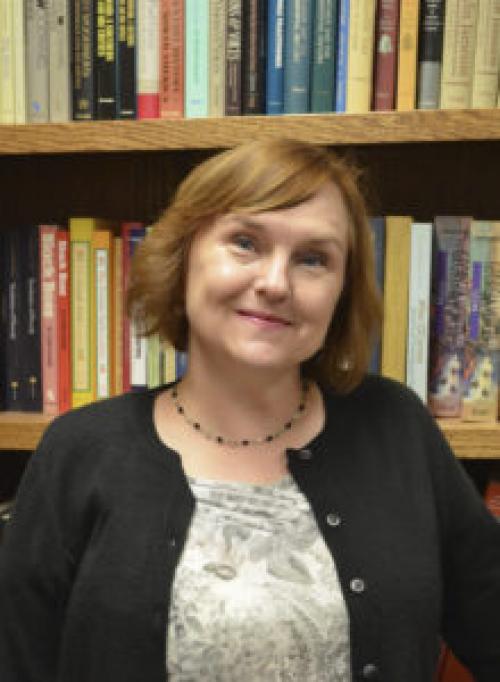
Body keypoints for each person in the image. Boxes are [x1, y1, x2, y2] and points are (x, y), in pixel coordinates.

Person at [0, 138, 499, 682]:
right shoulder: (80, 450)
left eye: (313, 259)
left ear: (341, 292)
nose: (275, 283)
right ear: (183, 255)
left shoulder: (396, 427)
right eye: (245, 242)